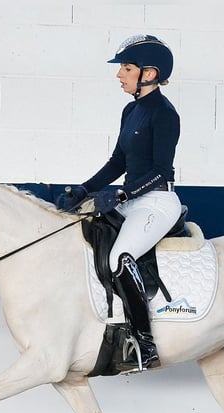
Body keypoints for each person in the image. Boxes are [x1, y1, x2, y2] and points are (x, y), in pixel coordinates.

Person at [58, 34, 182, 371]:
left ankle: (144, 342)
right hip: (132, 201)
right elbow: (118, 163)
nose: (119, 75)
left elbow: (161, 171)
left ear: (150, 74)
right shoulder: (131, 110)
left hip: (156, 202)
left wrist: (124, 194)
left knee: (119, 257)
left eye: (127, 68)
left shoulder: (165, 114)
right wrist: (83, 190)